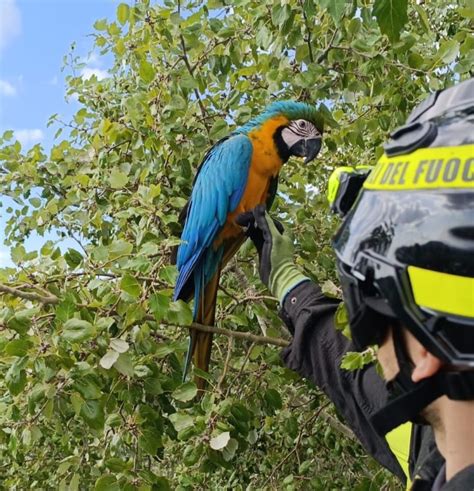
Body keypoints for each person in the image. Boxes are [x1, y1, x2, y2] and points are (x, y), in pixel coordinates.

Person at [237, 77, 474, 490]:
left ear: (426, 352)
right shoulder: (428, 437)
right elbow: (345, 371)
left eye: (378, 309)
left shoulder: (428, 436)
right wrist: (288, 281)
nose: (375, 346)